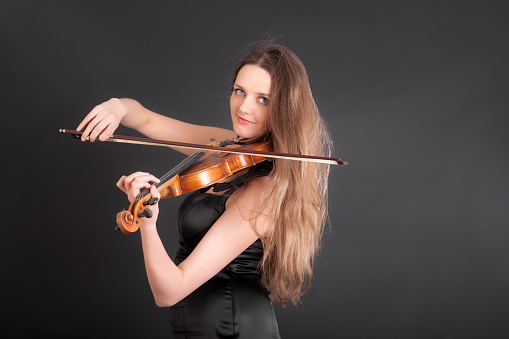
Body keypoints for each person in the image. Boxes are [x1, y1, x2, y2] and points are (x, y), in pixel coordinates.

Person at [77, 43, 332, 338]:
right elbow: (144, 118)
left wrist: (147, 222)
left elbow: (169, 292)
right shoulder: (227, 147)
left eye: (263, 99)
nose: (244, 107)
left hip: (234, 330)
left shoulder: (265, 189)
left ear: (284, 108)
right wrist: (116, 107)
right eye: (240, 91)